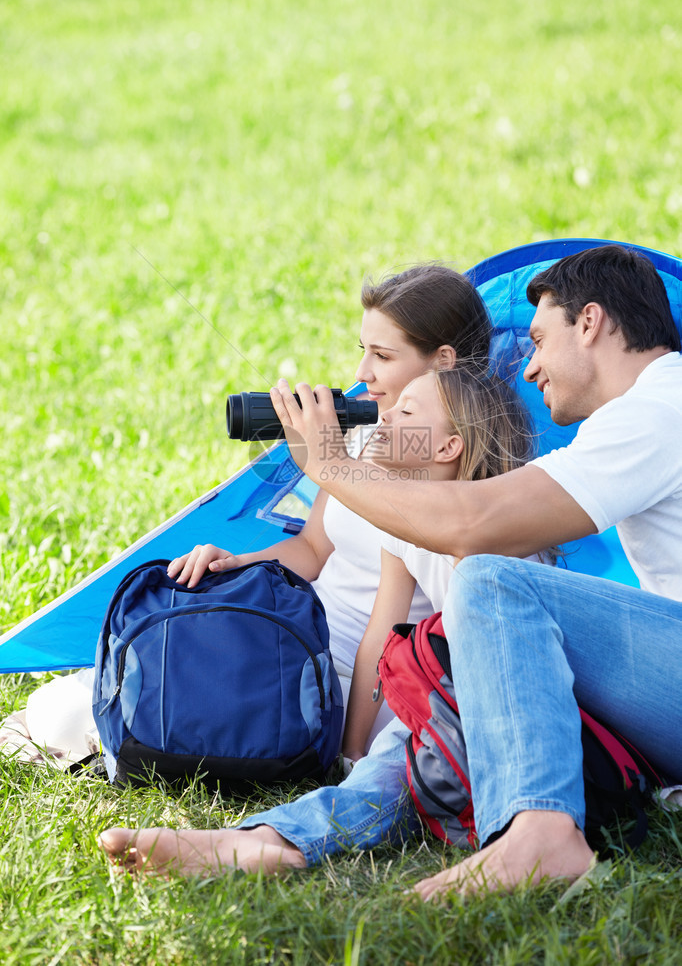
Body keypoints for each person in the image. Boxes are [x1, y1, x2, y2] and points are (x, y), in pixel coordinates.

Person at [258, 243, 682, 899]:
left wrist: (330, 464)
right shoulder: (652, 410)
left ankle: (541, 836)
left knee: (489, 576)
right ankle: (280, 837)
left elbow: (474, 524)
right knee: (456, 686)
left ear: (591, 323)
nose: (532, 365)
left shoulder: (658, 409)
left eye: (540, 339)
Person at [0, 263, 491, 766]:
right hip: (295, 630)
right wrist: (241, 566)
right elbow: (314, 548)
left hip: (355, 682)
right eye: (362, 350)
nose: (362, 373)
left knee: (159, 699)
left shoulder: (465, 475)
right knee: (129, 672)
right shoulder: (363, 436)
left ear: (443, 362)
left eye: (382, 356)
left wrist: (352, 750)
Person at [98, 364, 543, 876]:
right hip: (440, 703)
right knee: (390, 756)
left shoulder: (502, 534)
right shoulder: (399, 524)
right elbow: (382, 639)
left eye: (405, 412)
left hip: (506, 701)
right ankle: (271, 841)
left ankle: (257, 844)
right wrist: (348, 752)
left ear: (447, 448)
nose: (384, 419)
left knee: (403, 759)